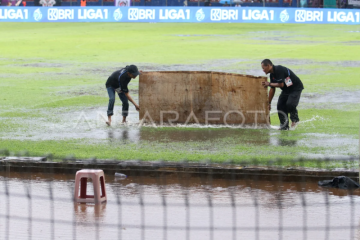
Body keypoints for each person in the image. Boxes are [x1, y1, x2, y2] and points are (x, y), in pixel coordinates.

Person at [261, 59, 304, 130]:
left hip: (295, 88)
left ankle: (295, 120)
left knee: (290, 104)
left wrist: (268, 83)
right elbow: (272, 89)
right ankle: (284, 126)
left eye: (263, 68)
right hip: (286, 89)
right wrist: (269, 102)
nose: (263, 70)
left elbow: (281, 84)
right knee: (280, 106)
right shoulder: (272, 75)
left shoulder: (279, 69)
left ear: (268, 66)